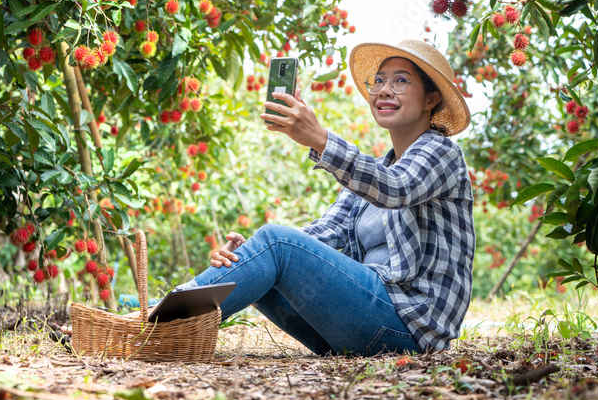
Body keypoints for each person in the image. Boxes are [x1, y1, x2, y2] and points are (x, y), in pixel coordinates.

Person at [176, 39, 475, 356]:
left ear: (431, 98)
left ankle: (164, 320)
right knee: (266, 255)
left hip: (407, 328)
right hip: (356, 325)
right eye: (379, 80)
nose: (385, 90)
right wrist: (250, 254)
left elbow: (397, 189)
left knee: (276, 243)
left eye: (401, 80)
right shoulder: (372, 172)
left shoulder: (443, 153)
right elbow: (325, 233)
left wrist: (320, 138)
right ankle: (166, 319)